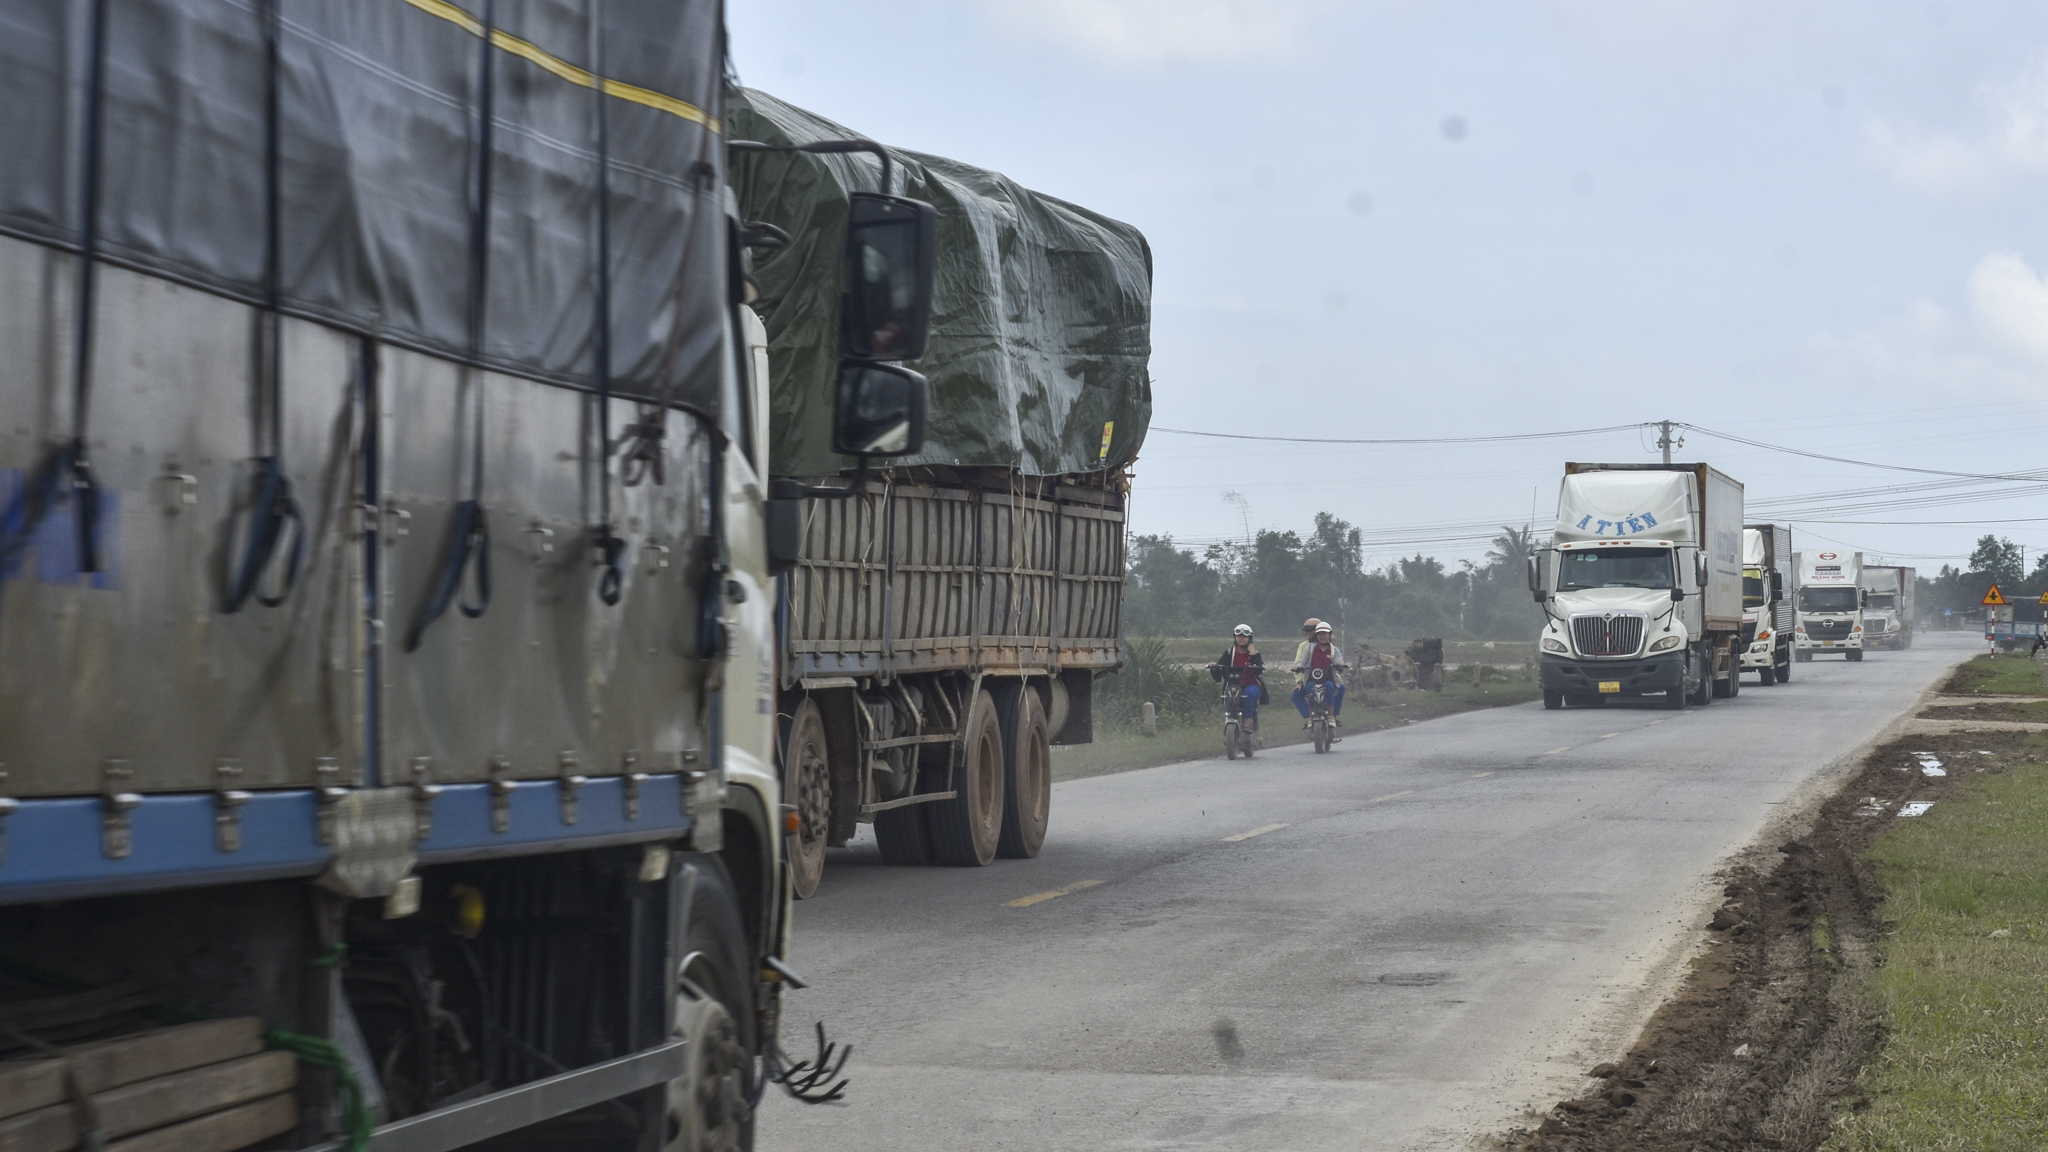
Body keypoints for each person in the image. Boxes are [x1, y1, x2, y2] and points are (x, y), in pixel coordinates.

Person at [1208, 624, 1265, 732]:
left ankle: (1247, 725)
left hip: (1251, 684)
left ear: (1250, 638)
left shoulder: (1254, 654)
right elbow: (1220, 670)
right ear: (1235, 637)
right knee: (1231, 694)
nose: (1241, 638)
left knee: (1248, 694)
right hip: (1233, 684)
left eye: (1244, 636)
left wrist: (1252, 654)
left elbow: (1259, 670)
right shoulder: (1229, 653)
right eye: (1239, 636)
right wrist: (1214, 668)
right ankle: (1230, 719)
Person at [1292, 621, 1348, 724]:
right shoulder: (1309, 648)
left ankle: (1331, 716)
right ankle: (1311, 717)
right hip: (1311, 679)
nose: (1322, 637)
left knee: (1330, 687)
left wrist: (1340, 664)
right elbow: (1302, 661)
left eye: (1325, 634)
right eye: (1320, 634)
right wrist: (1298, 667)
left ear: (1330, 635)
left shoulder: (1334, 650)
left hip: (1328, 679)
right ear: (1316, 635)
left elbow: (1337, 661)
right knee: (1310, 688)